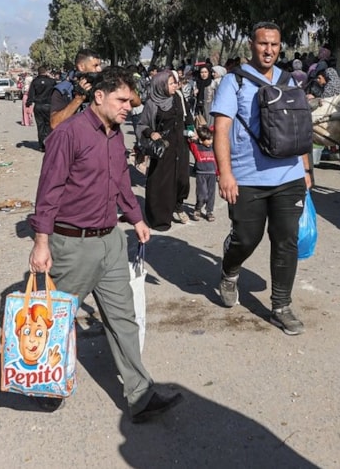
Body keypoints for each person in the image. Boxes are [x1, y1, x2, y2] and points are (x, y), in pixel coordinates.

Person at [28, 67, 182, 423]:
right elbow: (47, 193)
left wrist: (136, 218)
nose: (129, 106)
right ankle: (46, 384)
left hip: (111, 241)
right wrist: (41, 243)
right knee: (57, 320)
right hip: (71, 245)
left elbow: (121, 185)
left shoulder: (115, 136)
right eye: (122, 100)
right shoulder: (69, 135)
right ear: (100, 97)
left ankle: (140, 396)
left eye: (131, 101)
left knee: (123, 319)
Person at [211, 21, 313, 336]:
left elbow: (300, 128)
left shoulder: (290, 81)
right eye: (262, 44)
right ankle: (230, 270)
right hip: (247, 179)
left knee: (286, 241)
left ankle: (281, 305)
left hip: (288, 175)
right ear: (251, 46)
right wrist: (224, 173)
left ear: (279, 47)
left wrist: (306, 169)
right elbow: (221, 130)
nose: (268, 50)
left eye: (274, 44)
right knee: (247, 237)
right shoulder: (234, 82)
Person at [137, 71, 192, 228]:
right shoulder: (152, 103)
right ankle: (159, 218)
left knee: (182, 180)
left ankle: (177, 204)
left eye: (175, 82)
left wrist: (191, 130)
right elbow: (142, 125)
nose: (175, 85)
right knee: (161, 183)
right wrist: (151, 133)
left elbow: (187, 116)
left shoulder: (178, 97)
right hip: (162, 149)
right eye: (171, 83)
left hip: (180, 146)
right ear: (161, 85)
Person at [49, 49, 103, 131]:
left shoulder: (102, 86)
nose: (99, 69)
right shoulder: (63, 90)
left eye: (99, 65)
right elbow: (55, 124)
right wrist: (78, 99)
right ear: (81, 67)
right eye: (95, 65)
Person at [189, 125, 218, 222]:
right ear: (201, 140)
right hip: (201, 174)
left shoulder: (213, 147)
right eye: (208, 139)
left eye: (211, 139)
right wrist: (193, 135)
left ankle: (209, 211)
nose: (210, 141)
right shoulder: (196, 147)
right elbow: (189, 141)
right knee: (202, 194)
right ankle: (198, 208)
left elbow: (215, 128)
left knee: (211, 194)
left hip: (212, 174)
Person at [26, 66, 58, 151]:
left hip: (38, 106)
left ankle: (41, 146)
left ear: (38, 72)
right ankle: (49, 144)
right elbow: (56, 92)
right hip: (48, 106)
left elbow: (31, 94)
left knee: (40, 126)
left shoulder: (35, 81)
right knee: (49, 125)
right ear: (46, 71)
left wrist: (28, 104)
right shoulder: (51, 81)